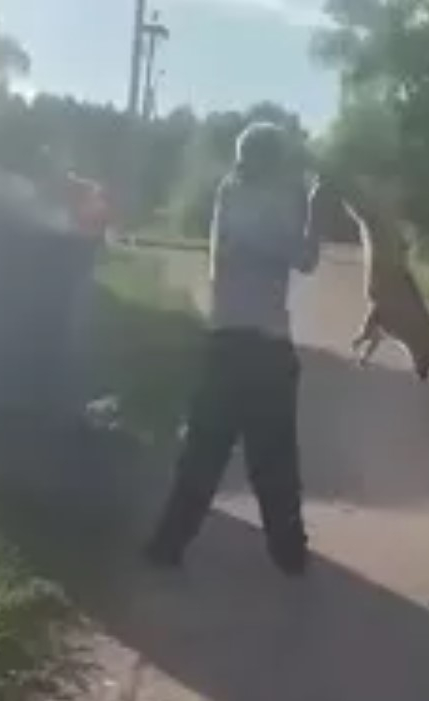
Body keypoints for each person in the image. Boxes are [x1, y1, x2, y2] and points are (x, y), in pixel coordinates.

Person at [144, 122, 321, 576]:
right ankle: (289, 554)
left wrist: (302, 202)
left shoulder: (231, 191)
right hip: (264, 346)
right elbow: (305, 257)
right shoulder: (257, 202)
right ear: (273, 161)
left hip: (224, 341)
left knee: (204, 452)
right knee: (274, 458)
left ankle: (168, 545)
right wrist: (313, 206)